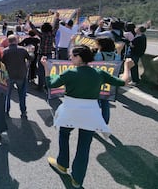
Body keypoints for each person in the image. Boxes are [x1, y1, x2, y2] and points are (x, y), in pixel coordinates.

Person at [40, 45, 134, 188]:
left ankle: (62, 165)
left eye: (72, 55)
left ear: (79, 57)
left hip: (70, 111)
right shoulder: (99, 73)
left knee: (64, 135)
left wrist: (46, 66)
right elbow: (124, 82)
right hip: (91, 113)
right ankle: (77, 180)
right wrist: (127, 67)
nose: (70, 58)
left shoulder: (70, 73)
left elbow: (50, 84)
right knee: (84, 146)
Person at [2, 35, 32, 119]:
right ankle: (23, 111)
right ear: (16, 41)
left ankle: (6, 111)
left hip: (9, 75)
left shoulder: (5, 51)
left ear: (8, 41)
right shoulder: (22, 50)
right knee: (22, 95)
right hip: (21, 74)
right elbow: (30, 58)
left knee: (7, 95)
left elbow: (1, 62)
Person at [94, 37, 121, 124]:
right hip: (109, 83)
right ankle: (105, 122)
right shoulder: (116, 56)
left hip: (98, 82)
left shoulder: (98, 55)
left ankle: (95, 122)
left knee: (95, 103)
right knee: (105, 103)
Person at [28, 15, 59, 91]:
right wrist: (57, 18)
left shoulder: (42, 35)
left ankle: (40, 86)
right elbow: (56, 27)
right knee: (48, 70)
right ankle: (47, 85)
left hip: (41, 54)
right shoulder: (52, 35)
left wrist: (29, 22)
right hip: (49, 54)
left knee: (41, 71)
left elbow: (34, 29)